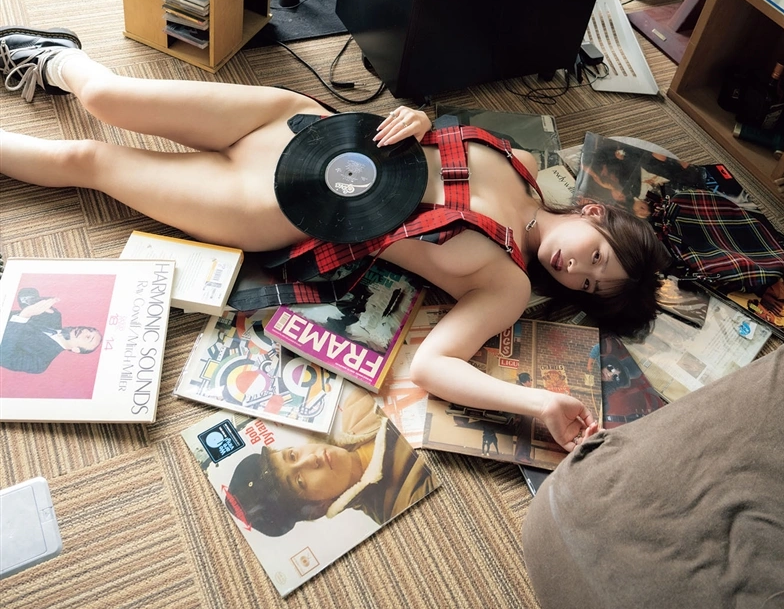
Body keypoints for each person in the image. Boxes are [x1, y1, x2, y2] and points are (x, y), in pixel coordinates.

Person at [0, 26, 669, 450]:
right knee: (108, 98)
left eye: (589, 285)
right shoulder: (519, 160)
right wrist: (418, 119)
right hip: (297, 123)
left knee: (85, 161)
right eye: (597, 256)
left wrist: (539, 402)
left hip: (267, 205)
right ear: (594, 214)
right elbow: (427, 135)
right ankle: (56, 57)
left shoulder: (508, 283)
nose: (576, 269)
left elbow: (433, 368)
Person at [222, 385, 435, 536]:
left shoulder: (355, 405)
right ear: (319, 508)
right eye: (300, 481)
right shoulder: (405, 502)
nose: (311, 459)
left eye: (292, 455)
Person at [1, 292, 102, 373]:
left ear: (75, 349)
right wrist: (34, 300)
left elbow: (2, 356)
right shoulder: (54, 316)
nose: (85, 331)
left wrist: (23, 316)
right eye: (90, 329)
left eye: (88, 337)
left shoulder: (39, 363)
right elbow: (24, 294)